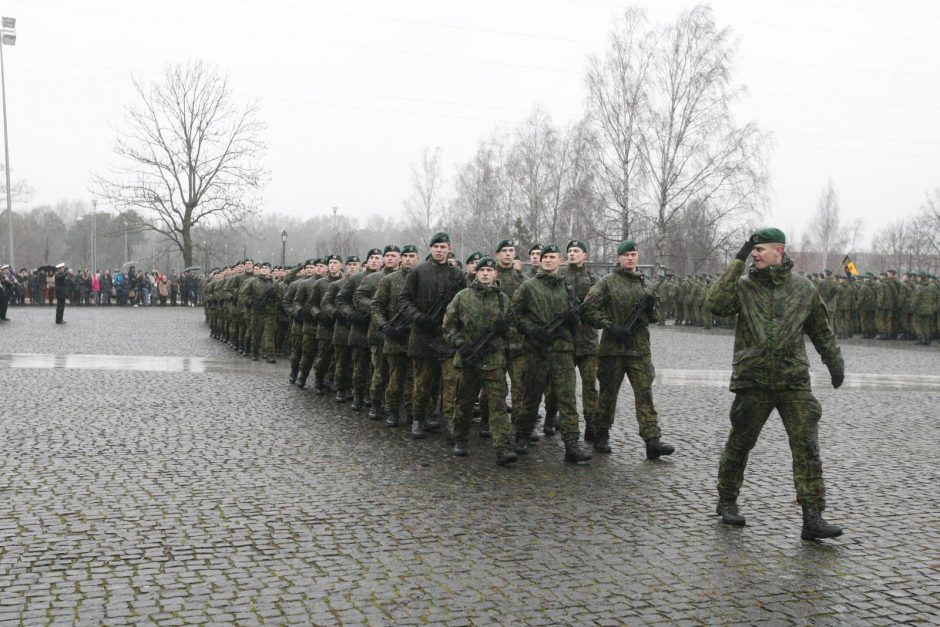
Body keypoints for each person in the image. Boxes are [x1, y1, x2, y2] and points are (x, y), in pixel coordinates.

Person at [705, 227, 844, 540]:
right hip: (753, 379)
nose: (755, 254)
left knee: (806, 445)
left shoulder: (803, 289)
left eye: (760, 249)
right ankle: (727, 500)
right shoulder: (744, 287)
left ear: (778, 251)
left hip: (792, 380)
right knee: (740, 442)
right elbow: (714, 302)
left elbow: (821, 330)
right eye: (752, 250)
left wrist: (835, 363)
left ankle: (813, 515)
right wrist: (736, 261)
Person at [583, 240, 674, 459]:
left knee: (645, 394)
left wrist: (651, 305)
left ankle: (652, 439)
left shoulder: (646, 285)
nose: (630, 258)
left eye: (633, 255)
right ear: (618, 258)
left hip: (639, 350)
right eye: (626, 255)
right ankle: (601, 433)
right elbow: (588, 308)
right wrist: (609, 325)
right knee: (607, 395)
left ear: (638, 257)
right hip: (612, 350)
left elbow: (656, 317)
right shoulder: (607, 283)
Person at [511, 244, 592, 464]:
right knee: (531, 397)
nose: (547, 260)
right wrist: (532, 330)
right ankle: (521, 436)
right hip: (537, 351)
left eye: (552, 257)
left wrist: (572, 318)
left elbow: (578, 320)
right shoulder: (529, 286)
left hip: (563, 351)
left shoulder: (567, 288)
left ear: (560, 260)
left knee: (567, 400)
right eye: (544, 257)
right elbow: (515, 316)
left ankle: (572, 445)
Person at [443, 256, 517, 465]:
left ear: (496, 274)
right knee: (464, 403)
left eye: (489, 270)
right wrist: (460, 344)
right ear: (476, 272)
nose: (485, 273)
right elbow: (448, 327)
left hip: (494, 360)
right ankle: (460, 438)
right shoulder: (462, 297)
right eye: (482, 270)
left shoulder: (503, 299)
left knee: (498, 405)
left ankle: (503, 447)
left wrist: (506, 330)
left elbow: (515, 330)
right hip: (468, 359)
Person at [399, 232, 467, 439]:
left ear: (449, 248)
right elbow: (404, 300)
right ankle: (418, 419)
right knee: (423, 383)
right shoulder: (418, 272)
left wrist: (455, 325)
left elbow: (464, 302)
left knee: (450, 383)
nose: (439, 250)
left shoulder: (457, 275)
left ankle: (452, 423)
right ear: (430, 248)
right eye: (436, 246)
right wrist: (418, 318)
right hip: (422, 336)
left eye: (443, 246)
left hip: (447, 338)